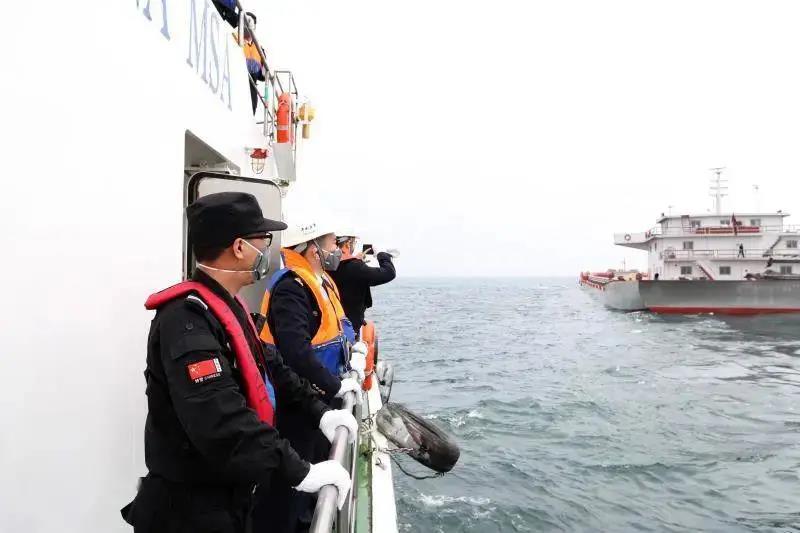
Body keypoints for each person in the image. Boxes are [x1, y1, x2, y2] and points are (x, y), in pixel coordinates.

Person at [121, 193, 357, 533]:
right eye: (263, 240)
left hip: (230, 498)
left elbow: (271, 363)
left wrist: (321, 412)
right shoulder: (186, 320)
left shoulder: (227, 306)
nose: (268, 250)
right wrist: (300, 471)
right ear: (239, 247)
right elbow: (222, 420)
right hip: (190, 511)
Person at [256, 222, 362, 532]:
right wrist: (335, 385)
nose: (337, 249)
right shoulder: (292, 288)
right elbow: (296, 351)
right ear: (313, 248)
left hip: (317, 398)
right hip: (296, 401)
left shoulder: (320, 281)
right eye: (332, 243)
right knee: (292, 481)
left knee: (313, 464)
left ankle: (302, 519)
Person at [327, 232, 396, 338]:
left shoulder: (324, 266)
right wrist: (382, 255)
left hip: (331, 328)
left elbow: (344, 267)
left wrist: (355, 260)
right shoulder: (356, 268)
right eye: (354, 242)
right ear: (347, 244)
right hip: (348, 330)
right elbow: (389, 273)